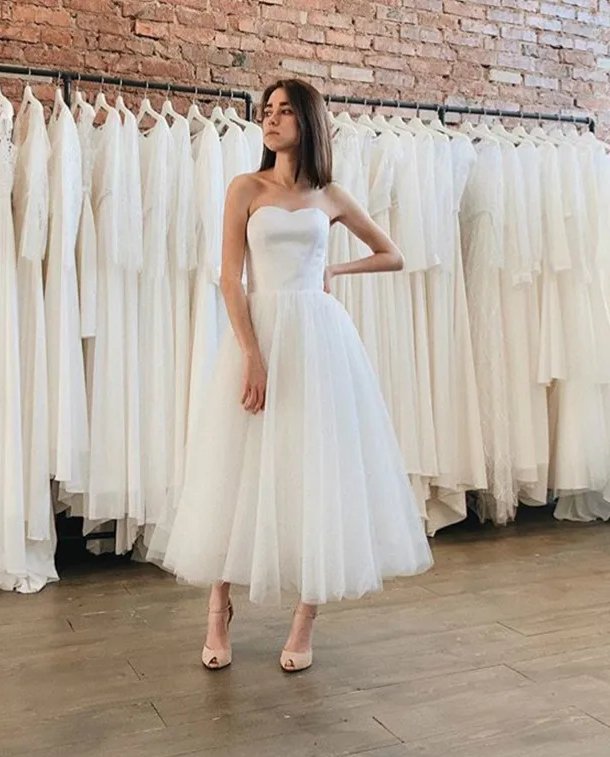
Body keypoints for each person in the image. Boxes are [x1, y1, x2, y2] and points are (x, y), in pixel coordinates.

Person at [144, 78, 433, 673]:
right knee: (236, 464)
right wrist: (252, 353)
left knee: (314, 471)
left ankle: (305, 621)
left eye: (282, 112)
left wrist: (336, 269)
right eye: (266, 111)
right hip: (261, 330)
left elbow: (393, 253)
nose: (270, 120)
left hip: (319, 339)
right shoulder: (244, 188)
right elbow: (231, 277)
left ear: (306, 121)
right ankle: (218, 606)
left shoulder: (330, 195)